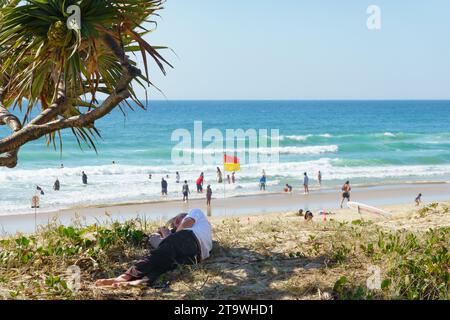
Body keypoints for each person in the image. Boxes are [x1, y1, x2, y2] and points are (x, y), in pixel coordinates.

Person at [95, 209, 213, 288]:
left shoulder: (195, 212)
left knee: (156, 255)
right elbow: (161, 245)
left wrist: (167, 235)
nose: (178, 221)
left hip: (191, 241)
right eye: (175, 223)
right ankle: (141, 281)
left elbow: (187, 222)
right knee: (165, 263)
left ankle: (125, 276)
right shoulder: (202, 232)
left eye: (180, 217)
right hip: (195, 257)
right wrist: (166, 235)